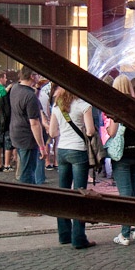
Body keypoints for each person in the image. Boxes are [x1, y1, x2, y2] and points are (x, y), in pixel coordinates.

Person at [49, 88, 97, 249]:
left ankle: (64, 235)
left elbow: (52, 132)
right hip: (78, 150)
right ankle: (78, 238)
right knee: (79, 193)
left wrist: (64, 132)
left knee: (63, 193)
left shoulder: (57, 105)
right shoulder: (84, 105)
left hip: (62, 150)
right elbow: (90, 131)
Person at [108, 75, 135, 245]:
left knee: (125, 194)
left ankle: (125, 234)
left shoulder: (117, 105)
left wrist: (109, 128)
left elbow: (112, 132)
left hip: (123, 155)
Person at [9, 66, 47, 188]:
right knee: (28, 172)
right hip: (28, 137)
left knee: (25, 168)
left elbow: (30, 101)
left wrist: (38, 88)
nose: (39, 76)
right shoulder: (30, 96)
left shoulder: (15, 88)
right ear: (32, 76)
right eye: (37, 74)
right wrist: (42, 146)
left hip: (16, 133)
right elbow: (34, 123)